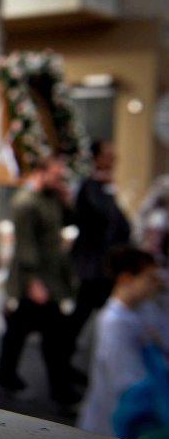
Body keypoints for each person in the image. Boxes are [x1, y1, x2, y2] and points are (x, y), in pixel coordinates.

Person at [0, 154, 80, 406]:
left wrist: (66, 200)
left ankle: (5, 373)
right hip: (33, 279)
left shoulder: (51, 198)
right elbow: (25, 244)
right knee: (52, 336)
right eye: (56, 175)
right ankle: (61, 391)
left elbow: (67, 222)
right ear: (41, 172)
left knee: (19, 330)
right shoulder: (25, 202)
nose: (60, 180)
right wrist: (33, 281)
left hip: (50, 275)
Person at [78, 246, 167, 438]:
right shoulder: (113, 322)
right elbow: (127, 382)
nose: (154, 285)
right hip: (113, 423)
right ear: (126, 278)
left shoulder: (142, 310)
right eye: (149, 278)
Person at [70, 141, 131, 353]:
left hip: (105, 265)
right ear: (97, 158)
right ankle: (62, 358)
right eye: (108, 155)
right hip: (92, 265)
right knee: (81, 314)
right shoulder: (90, 186)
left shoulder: (106, 188)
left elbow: (122, 226)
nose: (113, 160)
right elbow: (99, 217)